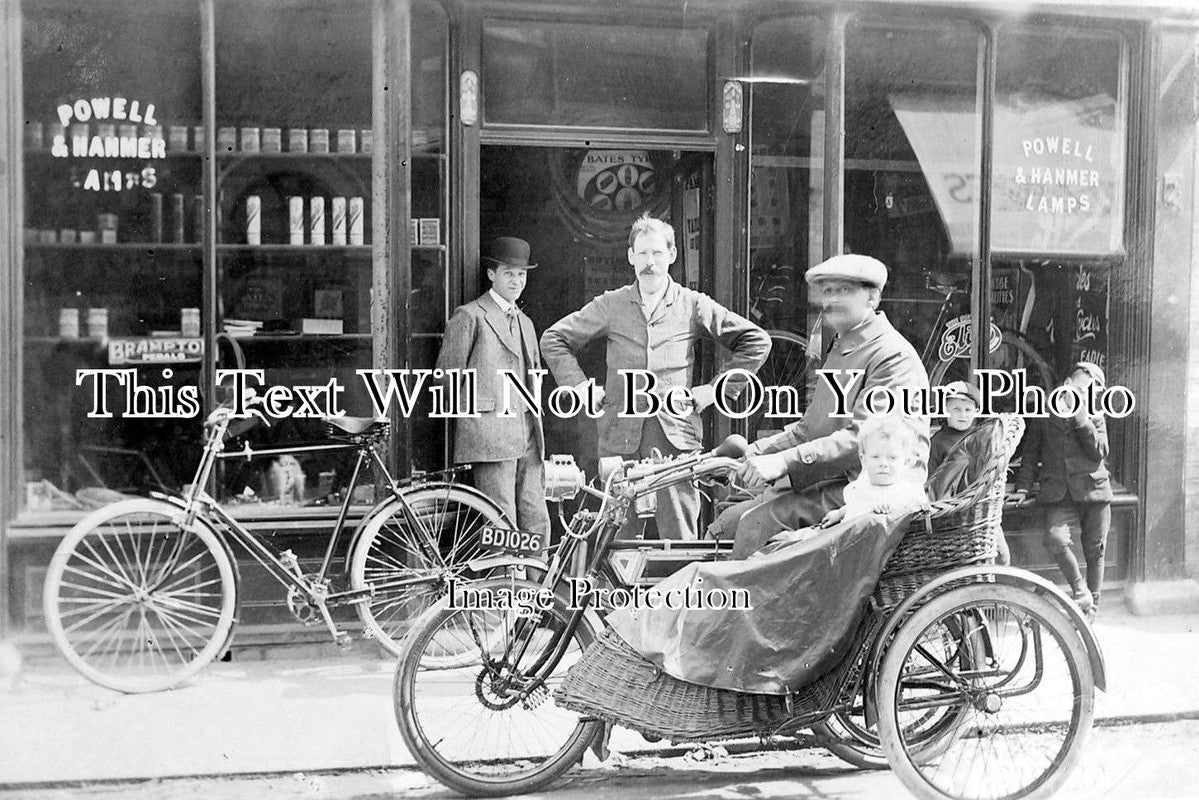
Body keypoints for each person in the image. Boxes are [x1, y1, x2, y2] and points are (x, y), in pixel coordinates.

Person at [540, 213, 771, 540]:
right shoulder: (611, 304)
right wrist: (579, 388)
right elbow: (554, 339)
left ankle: (683, 592)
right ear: (631, 257)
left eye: (658, 253)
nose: (650, 262)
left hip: (674, 439)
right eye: (643, 253)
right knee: (616, 539)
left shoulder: (692, 305)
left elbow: (756, 341)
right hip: (620, 437)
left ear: (672, 255)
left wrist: (713, 391)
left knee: (679, 536)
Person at [708, 253, 930, 559]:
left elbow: (862, 439)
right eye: (828, 291)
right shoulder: (845, 346)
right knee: (725, 524)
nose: (832, 300)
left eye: (845, 290)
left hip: (872, 490)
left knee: (756, 524)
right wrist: (755, 452)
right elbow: (808, 429)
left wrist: (783, 462)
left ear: (873, 298)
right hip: (835, 480)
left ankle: (745, 606)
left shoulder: (892, 357)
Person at [434, 236, 550, 540]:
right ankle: (505, 586)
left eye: (521, 274)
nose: (516, 281)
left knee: (536, 517)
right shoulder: (470, 315)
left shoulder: (526, 322)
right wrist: (478, 414)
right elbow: (445, 380)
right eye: (509, 273)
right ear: (491, 274)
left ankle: (535, 587)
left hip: (528, 435)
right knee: (501, 522)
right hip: (490, 436)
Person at [1014, 362, 1113, 620]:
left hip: (1094, 492)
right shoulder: (1045, 412)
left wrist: (1081, 418)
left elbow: (1100, 451)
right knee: (1055, 538)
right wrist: (1023, 487)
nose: (1082, 396)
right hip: (1059, 494)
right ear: (1067, 384)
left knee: (1096, 549)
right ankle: (1080, 590)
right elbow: (1031, 453)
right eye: (1079, 390)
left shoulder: (1094, 414)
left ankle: (1092, 609)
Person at [761, 414, 928, 552]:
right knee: (784, 543)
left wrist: (892, 509)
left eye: (892, 458)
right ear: (863, 459)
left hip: (867, 552)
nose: (883, 463)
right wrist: (840, 512)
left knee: (805, 551)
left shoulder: (907, 491)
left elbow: (919, 509)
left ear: (906, 462)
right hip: (844, 540)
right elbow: (858, 504)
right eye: (875, 457)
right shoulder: (862, 485)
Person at [926, 379, 1011, 565]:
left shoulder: (983, 437)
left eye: (968, 410)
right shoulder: (938, 442)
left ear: (976, 411)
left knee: (1002, 557)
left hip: (984, 510)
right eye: (956, 409)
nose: (962, 415)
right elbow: (932, 483)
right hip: (954, 515)